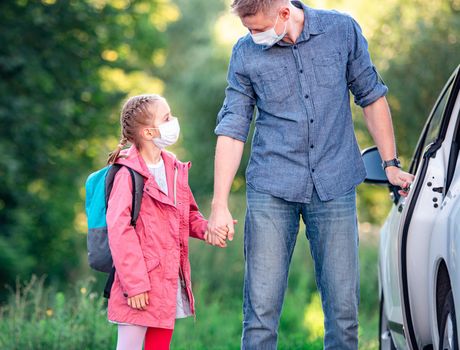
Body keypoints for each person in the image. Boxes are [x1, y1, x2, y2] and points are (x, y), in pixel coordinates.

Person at [206, 0, 415, 349]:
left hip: (334, 184)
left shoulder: (341, 31)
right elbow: (232, 127)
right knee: (259, 316)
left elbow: (372, 96)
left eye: (257, 28)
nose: (251, 36)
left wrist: (390, 164)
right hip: (272, 186)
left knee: (344, 316)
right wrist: (219, 203)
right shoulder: (244, 53)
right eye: (247, 29)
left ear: (284, 14)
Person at [105, 94, 227, 350]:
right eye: (167, 118)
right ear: (149, 132)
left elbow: (187, 213)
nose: (174, 121)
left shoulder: (174, 168)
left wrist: (207, 229)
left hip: (167, 283)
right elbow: (119, 230)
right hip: (137, 288)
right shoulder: (127, 174)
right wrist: (135, 285)